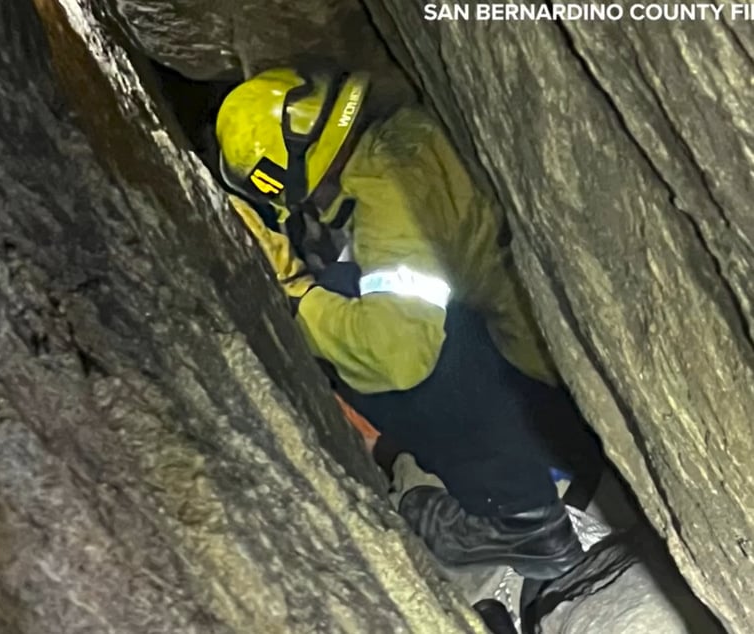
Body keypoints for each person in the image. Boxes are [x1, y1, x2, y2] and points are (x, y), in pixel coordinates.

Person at [215, 66, 597, 579]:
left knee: (351, 315)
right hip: (579, 390)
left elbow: (395, 356)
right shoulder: (410, 137)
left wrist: (298, 294)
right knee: (369, 294)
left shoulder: (386, 194)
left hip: (553, 411)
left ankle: (521, 520)